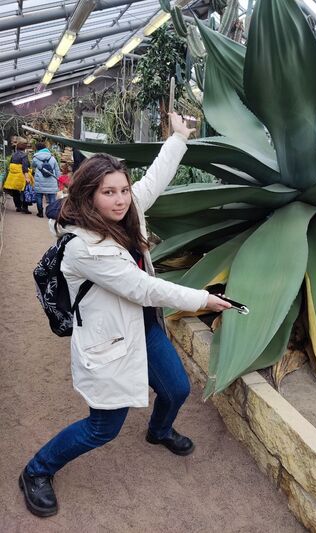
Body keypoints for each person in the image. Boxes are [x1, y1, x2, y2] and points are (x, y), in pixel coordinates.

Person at [19, 112, 231, 518]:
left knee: (176, 389)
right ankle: (37, 470)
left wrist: (178, 138)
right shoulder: (83, 247)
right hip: (110, 339)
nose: (120, 200)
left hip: (143, 326)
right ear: (88, 196)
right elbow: (143, 287)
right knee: (103, 427)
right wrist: (203, 299)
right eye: (108, 193)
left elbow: (152, 182)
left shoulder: (127, 211)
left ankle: (158, 430)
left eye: (122, 190)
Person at [3, 137, 32, 214]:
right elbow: (25, 167)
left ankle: (18, 207)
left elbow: (10, 165)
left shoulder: (13, 155)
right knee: (25, 191)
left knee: (15, 192)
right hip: (21, 176)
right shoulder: (24, 155)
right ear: (24, 147)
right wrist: (27, 177)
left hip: (13, 176)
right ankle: (25, 208)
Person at [32, 141, 61, 218]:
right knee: (52, 198)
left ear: (37, 149)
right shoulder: (52, 158)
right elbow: (57, 170)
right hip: (51, 180)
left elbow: (33, 166)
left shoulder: (35, 158)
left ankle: (40, 213)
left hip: (39, 180)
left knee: (39, 196)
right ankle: (51, 214)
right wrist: (58, 180)